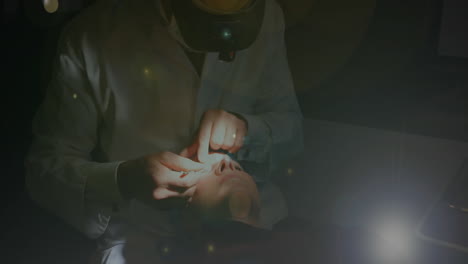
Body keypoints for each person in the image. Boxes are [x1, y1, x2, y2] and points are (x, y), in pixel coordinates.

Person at [25, 0, 303, 263]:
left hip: (257, 242)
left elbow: (292, 132)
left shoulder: (264, 15)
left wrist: (246, 131)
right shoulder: (94, 36)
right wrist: (124, 180)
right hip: (142, 246)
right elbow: (44, 171)